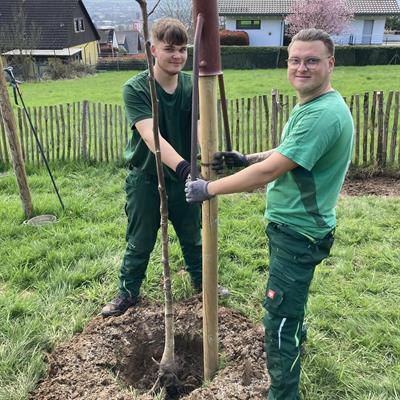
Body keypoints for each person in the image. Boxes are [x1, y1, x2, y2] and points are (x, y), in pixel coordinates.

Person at [186, 28, 354, 399]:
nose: (301, 67)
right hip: (296, 230)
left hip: (299, 233)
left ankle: (283, 393)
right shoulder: (313, 105)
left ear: (330, 63)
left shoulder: (322, 115)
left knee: (278, 319)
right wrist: (245, 158)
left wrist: (208, 189)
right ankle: (297, 342)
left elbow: (270, 172)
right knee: (290, 305)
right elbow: (285, 152)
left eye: (311, 60)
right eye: (295, 60)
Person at [101, 18, 201, 317]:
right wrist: (184, 167)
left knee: (192, 235)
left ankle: (202, 284)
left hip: (186, 179)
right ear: (152, 49)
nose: (178, 56)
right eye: (170, 48)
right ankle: (128, 293)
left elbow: (201, 126)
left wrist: (202, 159)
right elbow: (150, 135)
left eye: (183, 49)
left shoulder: (191, 85)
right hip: (146, 178)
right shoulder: (136, 88)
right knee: (140, 238)